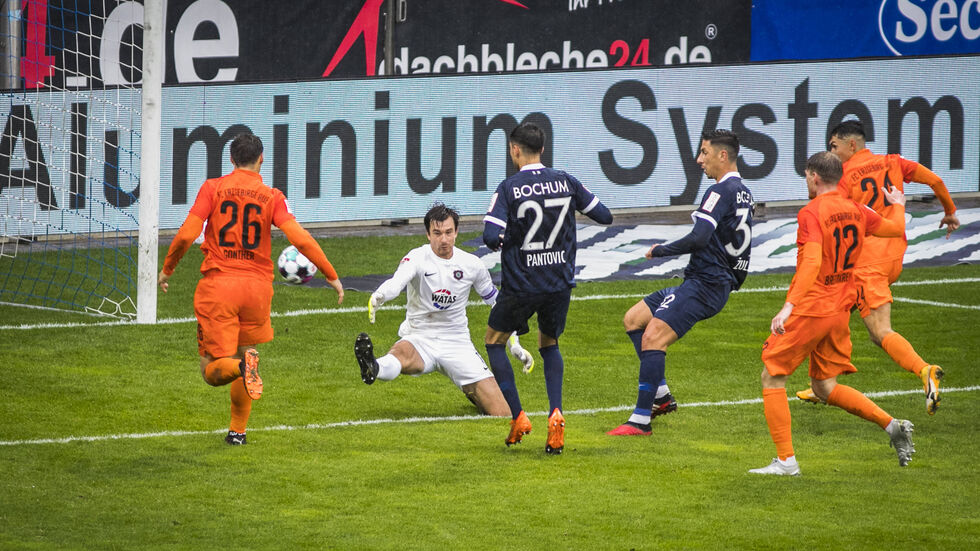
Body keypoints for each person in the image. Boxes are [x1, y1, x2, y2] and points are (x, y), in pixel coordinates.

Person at [158, 132, 344, 446]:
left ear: (231, 159)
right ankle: (238, 432)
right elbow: (299, 238)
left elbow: (188, 234)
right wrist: (331, 274)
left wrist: (168, 269)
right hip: (257, 290)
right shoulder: (272, 196)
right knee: (248, 351)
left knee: (212, 371)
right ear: (261, 159)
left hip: (220, 287)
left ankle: (241, 368)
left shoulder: (213, 188)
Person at [750, 151, 915, 476]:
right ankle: (892, 426)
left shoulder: (811, 212)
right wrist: (897, 202)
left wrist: (789, 306)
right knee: (824, 386)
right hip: (841, 308)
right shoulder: (857, 209)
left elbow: (811, 262)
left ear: (813, 177)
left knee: (772, 375)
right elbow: (895, 229)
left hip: (813, 307)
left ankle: (786, 462)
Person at [795, 120, 960, 415]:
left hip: (867, 264)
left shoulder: (844, 176)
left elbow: (832, 209)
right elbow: (935, 181)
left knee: (878, 331)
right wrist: (949, 211)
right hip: (893, 258)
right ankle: (821, 383)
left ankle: (925, 370)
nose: (831, 152)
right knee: (836, 308)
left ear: (851, 145)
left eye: (833, 146)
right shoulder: (893, 162)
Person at [608, 129, 753, 436]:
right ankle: (661, 397)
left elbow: (699, 238)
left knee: (653, 338)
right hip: (710, 282)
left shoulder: (719, 192)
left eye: (705, 153)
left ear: (722, 155)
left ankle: (641, 420)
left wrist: (660, 251)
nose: (700, 160)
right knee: (634, 319)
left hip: (705, 284)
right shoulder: (743, 191)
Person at [482, 122, 613, 454]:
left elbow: (489, 236)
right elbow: (604, 215)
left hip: (522, 284)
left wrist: (510, 238)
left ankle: (519, 416)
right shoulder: (566, 181)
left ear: (514, 149)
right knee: (549, 343)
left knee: (494, 341)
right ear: (542, 148)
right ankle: (556, 413)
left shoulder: (510, 188)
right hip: (558, 283)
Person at [353, 203, 533, 416]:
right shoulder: (417, 257)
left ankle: (472, 391)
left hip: (457, 343)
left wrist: (515, 342)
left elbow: (497, 303)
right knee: (401, 354)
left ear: (456, 232)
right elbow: (397, 281)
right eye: (437, 233)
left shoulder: (471, 265)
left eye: (448, 232)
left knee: (503, 413)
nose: (444, 239)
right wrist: (380, 295)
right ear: (428, 234)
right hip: (419, 337)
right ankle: (373, 367)